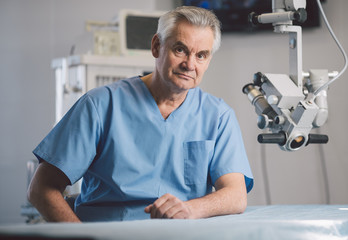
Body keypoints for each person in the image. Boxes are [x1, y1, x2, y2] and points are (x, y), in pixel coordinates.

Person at [28, 6, 253, 222]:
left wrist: (191, 209)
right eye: (180, 49)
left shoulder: (218, 116)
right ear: (156, 46)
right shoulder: (100, 106)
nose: (189, 64)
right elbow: (41, 189)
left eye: (201, 55)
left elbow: (236, 195)